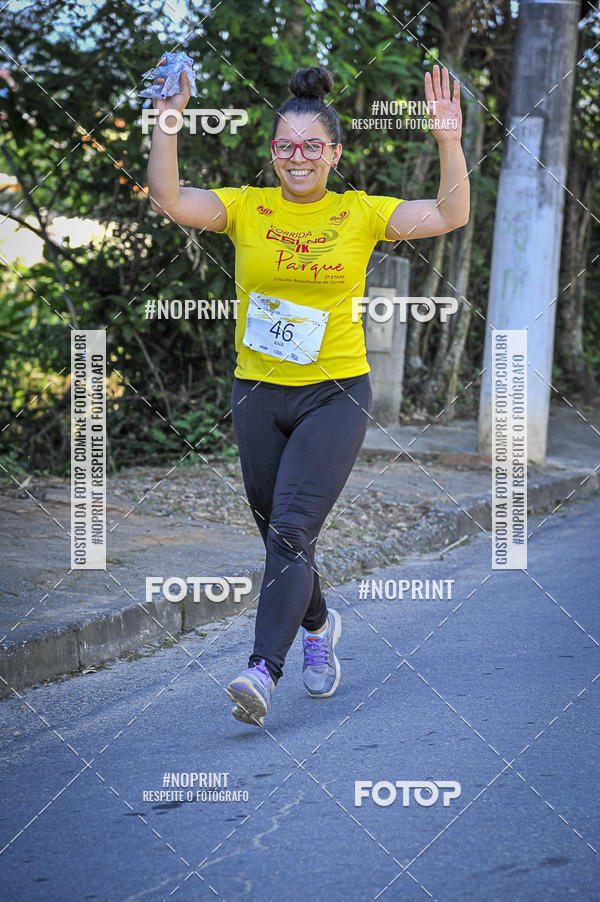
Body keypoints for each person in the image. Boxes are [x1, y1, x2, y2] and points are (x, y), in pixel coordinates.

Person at [147, 61, 468, 727]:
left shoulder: (360, 213)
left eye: (312, 146)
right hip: (257, 394)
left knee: (292, 530)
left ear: (334, 153)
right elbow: (169, 198)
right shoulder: (246, 208)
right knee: (279, 537)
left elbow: (449, 213)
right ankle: (319, 624)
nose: (299, 158)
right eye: (286, 146)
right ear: (273, 153)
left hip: (334, 396)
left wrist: (447, 140)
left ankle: (262, 668)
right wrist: (168, 120)